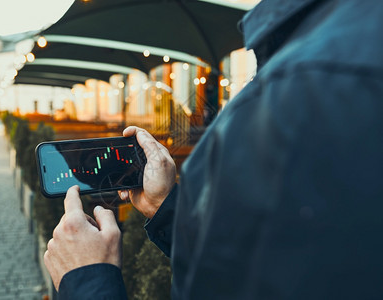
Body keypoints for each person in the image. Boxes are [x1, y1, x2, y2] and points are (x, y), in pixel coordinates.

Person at [44, 0, 383, 299]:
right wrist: (166, 207)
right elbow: (256, 267)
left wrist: (87, 279)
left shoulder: (293, 89)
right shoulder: (333, 54)